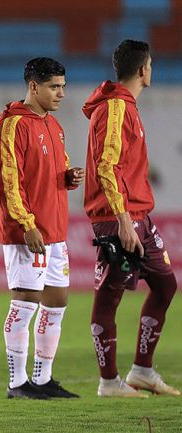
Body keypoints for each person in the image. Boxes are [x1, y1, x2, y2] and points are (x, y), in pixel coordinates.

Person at [84, 40, 179, 398]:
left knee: (165, 286)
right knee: (108, 299)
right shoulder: (115, 108)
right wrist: (122, 220)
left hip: (140, 214)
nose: (152, 70)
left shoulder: (125, 107)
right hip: (118, 217)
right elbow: (106, 165)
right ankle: (109, 382)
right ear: (143, 69)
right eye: (151, 65)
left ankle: (141, 370)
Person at [0, 57, 83, 400]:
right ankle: (17, 384)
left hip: (55, 229)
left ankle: (43, 378)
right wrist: (26, 224)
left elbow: (51, 171)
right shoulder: (13, 123)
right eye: (54, 87)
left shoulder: (53, 125)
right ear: (33, 86)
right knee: (26, 302)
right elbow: (7, 180)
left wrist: (67, 178)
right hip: (27, 232)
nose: (61, 93)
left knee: (56, 301)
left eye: (63, 86)